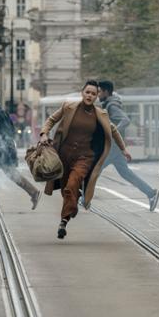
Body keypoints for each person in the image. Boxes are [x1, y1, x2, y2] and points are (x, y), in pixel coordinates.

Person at [40, 81, 131, 239]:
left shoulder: (99, 114)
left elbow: (114, 130)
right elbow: (51, 120)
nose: (90, 95)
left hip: (85, 157)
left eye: (93, 94)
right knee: (66, 191)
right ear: (82, 93)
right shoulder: (68, 107)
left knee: (72, 185)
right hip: (64, 156)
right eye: (87, 92)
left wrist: (123, 149)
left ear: (96, 97)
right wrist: (44, 134)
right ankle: (71, 209)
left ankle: (63, 222)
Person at [98, 80, 159, 212]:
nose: (97, 95)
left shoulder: (112, 105)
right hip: (115, 147)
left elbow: (125, 120)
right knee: (126, 174)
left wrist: (113, 132)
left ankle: (82, 197)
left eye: (99, 92)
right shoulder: (109, 104)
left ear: (105, 92)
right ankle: (151, 193)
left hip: (112, 147)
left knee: (95, 170)